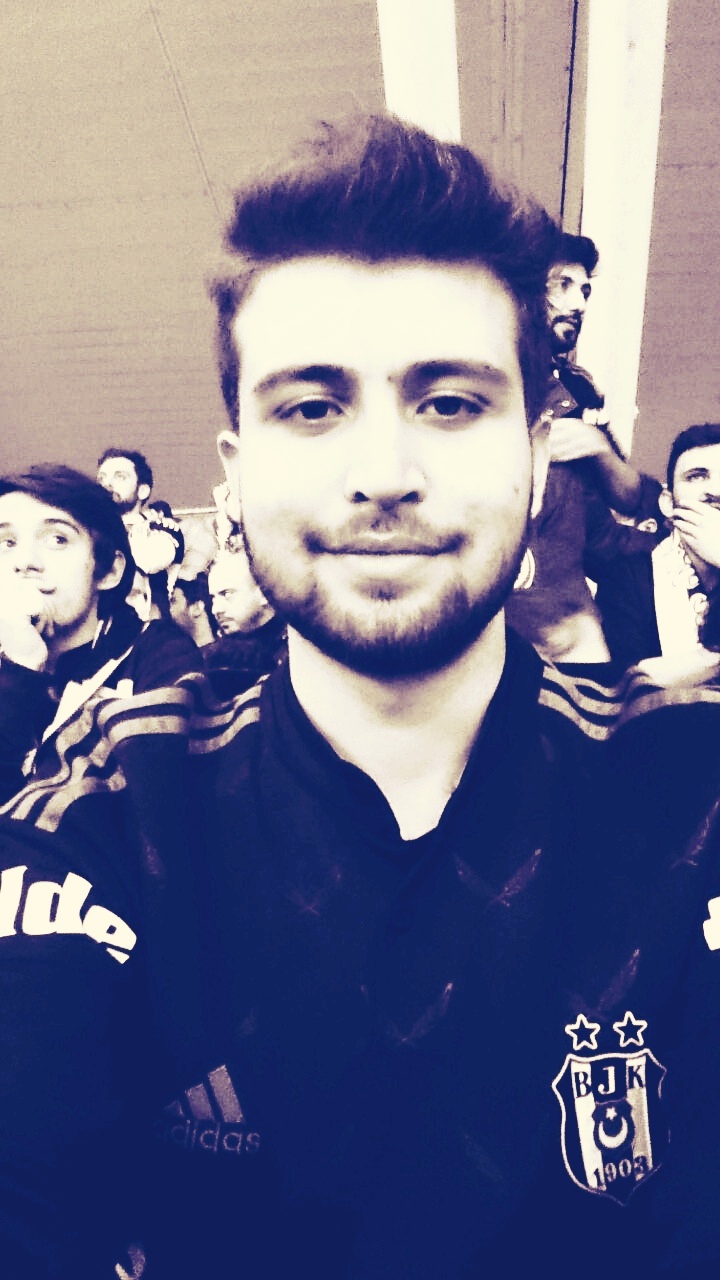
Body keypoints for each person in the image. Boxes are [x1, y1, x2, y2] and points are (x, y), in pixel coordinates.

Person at [143, 116, 720, 1278]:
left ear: (539, 451)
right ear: (234, 471)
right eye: (312, 406)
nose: (384, 476)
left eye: (450, 403)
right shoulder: (124, 798)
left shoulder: (689, 789)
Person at [0, 464, 201, 1278]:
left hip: (104, 940)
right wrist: (18, 673)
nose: (23, 560)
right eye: (4, 543)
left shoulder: (158, 658)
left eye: (55, 539)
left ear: (110, 568)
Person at [506, 233, 660, 663]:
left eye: (585, 290)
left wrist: (601, 450)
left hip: (580, 653)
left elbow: (604, 536)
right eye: (563, 285)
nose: (579, 304)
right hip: (495, 658)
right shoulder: (476, 398)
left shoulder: (573, 398)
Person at [595, 423, 720, 671]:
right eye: (696, 476)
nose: (715, 490)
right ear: (668, 503)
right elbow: (628, 681)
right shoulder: (628, 575)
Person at [97, 449, 184, 619]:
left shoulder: (162, 528)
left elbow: (145, 560)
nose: (107, 484)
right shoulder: (92, 531)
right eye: (102, 478)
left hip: (148, 627)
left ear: (142, 491)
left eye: (120, 477)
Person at [203, 546, 286, 694]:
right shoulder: (217, 657)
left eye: (227, 594)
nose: (216, 609)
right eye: (213, 598)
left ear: (263, 592)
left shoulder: (294, 652)